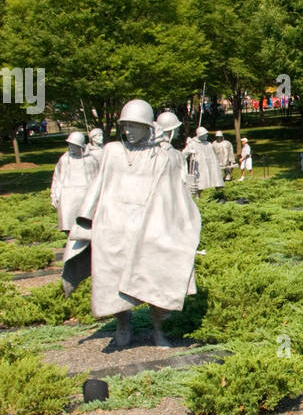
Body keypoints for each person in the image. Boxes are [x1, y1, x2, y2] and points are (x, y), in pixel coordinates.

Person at [63, 99, 201, 348]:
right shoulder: (113, 151)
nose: (128, 130)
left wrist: (168, 151)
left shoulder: (162, 156)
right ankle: (123, 324)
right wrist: (85, 220)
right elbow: (98, 185)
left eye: (135, 126)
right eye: (125, 125)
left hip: (150, 227)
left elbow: (176, 189)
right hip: (113, 227)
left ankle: (158, 329)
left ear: (149, 127)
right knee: (114, 283)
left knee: (158, 278)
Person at [50, 131, 99, 232]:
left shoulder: (91, 160)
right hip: (68, 197)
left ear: (80, 146)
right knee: (68, 224)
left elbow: (97, 180)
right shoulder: (64, 160)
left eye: (74, 145)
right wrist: (55, 195)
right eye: (70, 144)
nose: (70, 147)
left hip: (85, 196)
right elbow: (57, 179)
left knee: (87, 225)